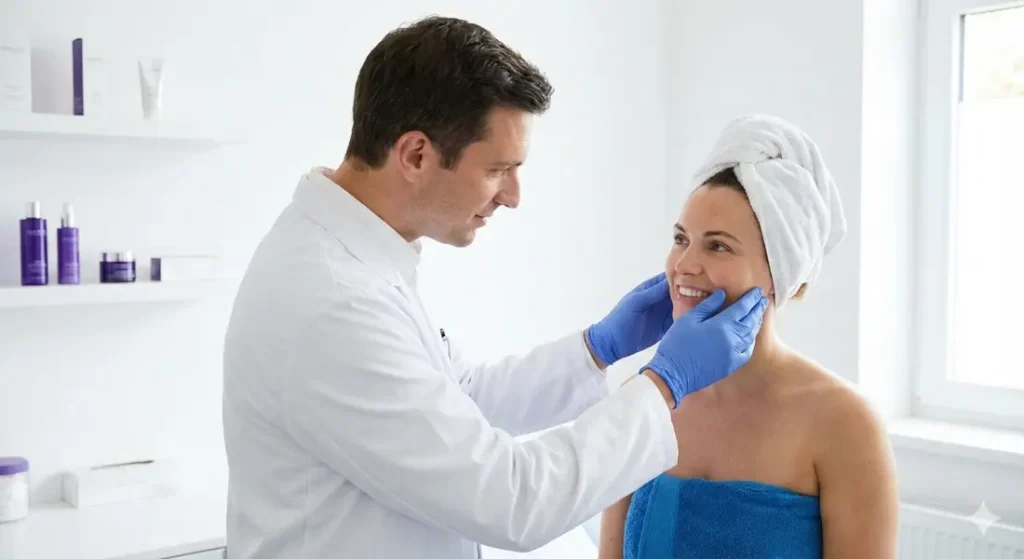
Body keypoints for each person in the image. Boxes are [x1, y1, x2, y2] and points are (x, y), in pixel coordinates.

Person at [221, 15, 769, 559]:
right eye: (497, 170)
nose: (512, 196)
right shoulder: (334, 302)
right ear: (415, 154)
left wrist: (598, 348)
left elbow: (461, 399)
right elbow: (513, 502)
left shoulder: (359, 260)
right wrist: (664, 384)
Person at [597, 114, 900, 559]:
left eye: (717, 245)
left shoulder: (845, 425)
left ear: (780, 272)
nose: (684, 263)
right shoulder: (643, 399)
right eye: (681, 239)